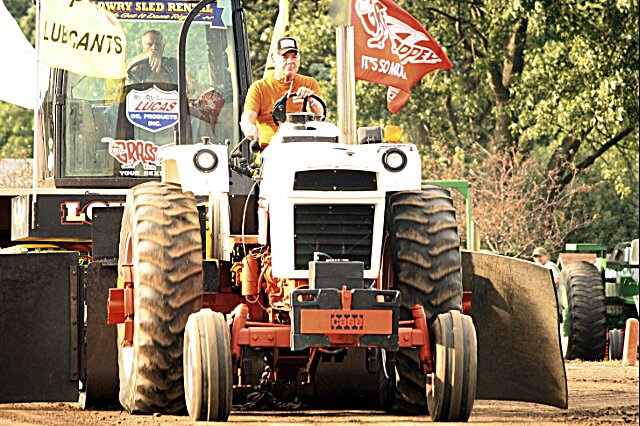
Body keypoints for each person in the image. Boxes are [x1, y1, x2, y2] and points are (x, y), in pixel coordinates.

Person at [240, 37, 323, 148]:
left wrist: (310, 100)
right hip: (269, 150)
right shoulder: (259, 88)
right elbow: (248, 118)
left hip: (303, 147)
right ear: (274, 60)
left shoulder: (309, 83)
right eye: (285, 57)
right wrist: (249, 127)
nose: (290, 61)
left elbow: (319, 117)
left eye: (294, 57)